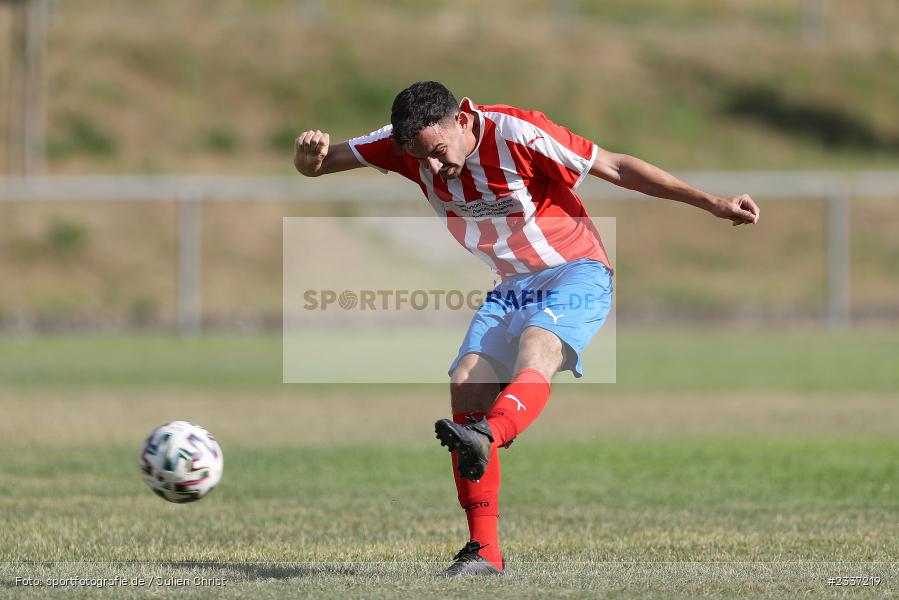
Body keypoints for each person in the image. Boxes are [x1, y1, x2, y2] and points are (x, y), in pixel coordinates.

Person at [294, 81, 759, 576]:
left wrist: (711, 202)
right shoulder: (403, 143)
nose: (431, 168)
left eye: (438, 153)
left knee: (537, 348)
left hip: (576, 268)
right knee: (466, 380)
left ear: (464, 121)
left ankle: (486, 436)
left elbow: (617, 167)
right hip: (512, 284)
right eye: (418, 157)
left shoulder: (518, 132)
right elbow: (319, 165)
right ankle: (485, 552)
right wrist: (307, 157)